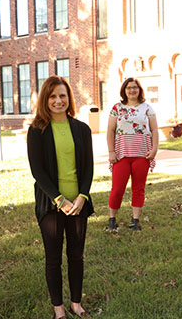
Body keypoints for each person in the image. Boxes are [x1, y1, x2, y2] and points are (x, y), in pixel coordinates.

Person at [27, 75, 94, 319]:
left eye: (62, 95)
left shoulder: (82, 129)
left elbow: (88, 167)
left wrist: (82, 197)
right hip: (51, 205)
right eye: (53, 96)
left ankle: (76, 304)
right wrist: (59, 200)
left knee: (76, 255)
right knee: (53, 258)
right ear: (46, 99)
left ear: (69, 98)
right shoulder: (36, 131)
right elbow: (38, 172)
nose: (58, 101)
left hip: (78, 204)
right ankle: (59, 309)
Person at [106, 77, 158, 232]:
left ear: (139, 90)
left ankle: (135, 220)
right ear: (124, 90)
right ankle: (111, 219)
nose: (132, 90)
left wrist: (154, 149)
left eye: (135, 87)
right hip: (121, 155)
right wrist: (111, 152)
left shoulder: (147, 108)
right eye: (129, 87)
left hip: (142, 155)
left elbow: (154, 130)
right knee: (117, 188)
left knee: (139, 188)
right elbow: (110, 130)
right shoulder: (117, 108)